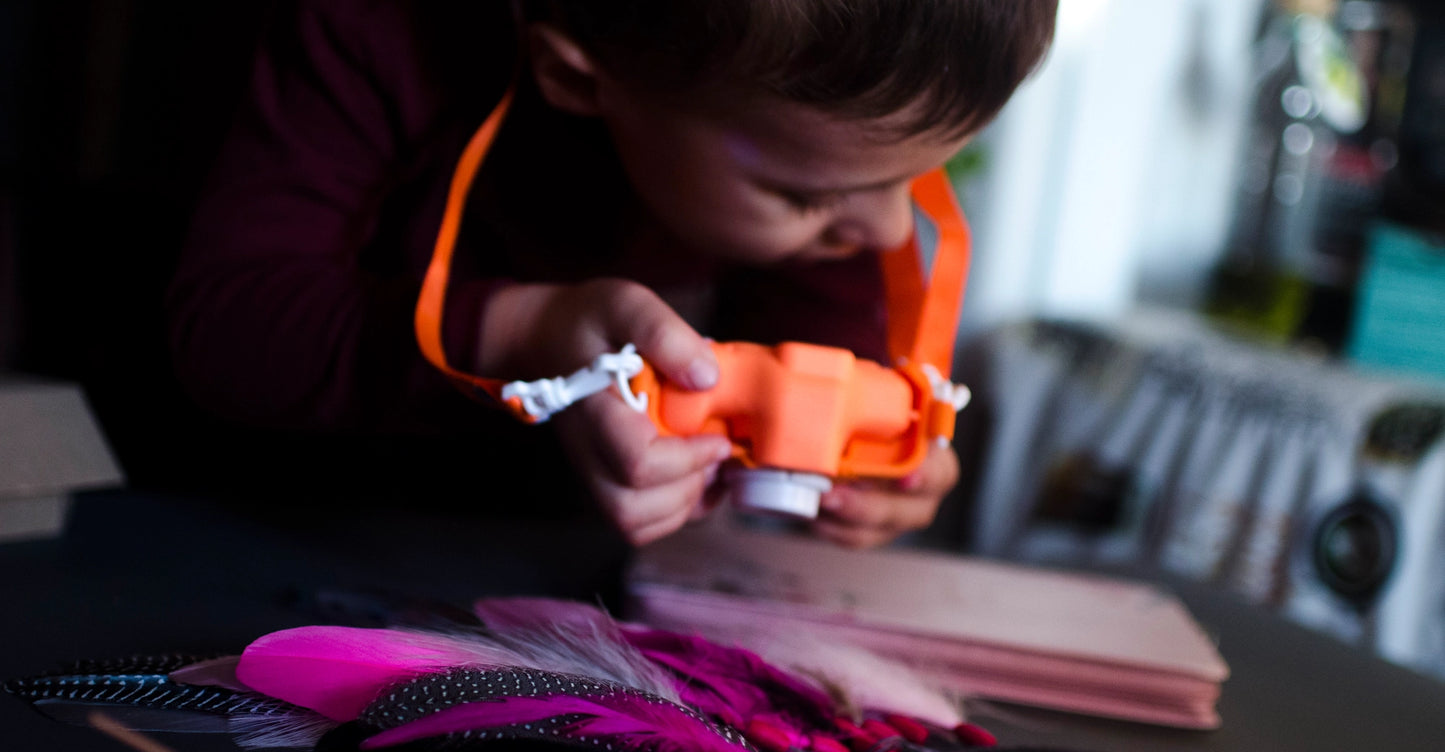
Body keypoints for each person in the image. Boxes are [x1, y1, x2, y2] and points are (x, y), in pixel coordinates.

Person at [167, 0, 1057, 547]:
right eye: (804, 193)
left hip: (557, 565)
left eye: (918, 178)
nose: (888, 228)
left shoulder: (814, 117)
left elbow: (822, 348)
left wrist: (861, 461)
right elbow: (227, 328)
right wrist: (524, 336)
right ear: (575, 77)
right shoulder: (384, 29)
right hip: (255, 515)